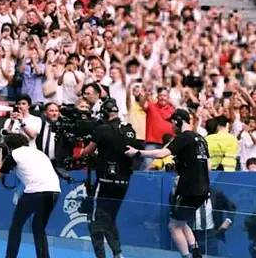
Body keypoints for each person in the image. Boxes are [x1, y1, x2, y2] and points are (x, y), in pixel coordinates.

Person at [127, 108, 210, 258]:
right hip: (203, 190)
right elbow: (207, 166)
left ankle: (187, 256)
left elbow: (161, 154)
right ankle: (196, 253)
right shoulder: (201, 139)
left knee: (173, 226)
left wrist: (138, 152)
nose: (171, 127)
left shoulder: (183, 138)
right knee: (182, 222)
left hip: (189, 189)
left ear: (178, 122)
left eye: (172, 123)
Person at [80, 98, 137, 258]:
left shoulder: (102, 129)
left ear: (105, 113)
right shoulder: (129, 130)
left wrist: (82, 149)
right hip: (124, 182)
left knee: (94, 220)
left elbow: (87, 151)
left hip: (105, 181)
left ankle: (101, 256)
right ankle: (118, 254)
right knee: (109, 217)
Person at [0, 132, 61, 258]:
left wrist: (1, 156)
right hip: (54, 191)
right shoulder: (39, 153)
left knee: (16, 225)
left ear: (10, 147)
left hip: (34, 192)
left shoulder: (14, 154)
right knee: (38, 227)